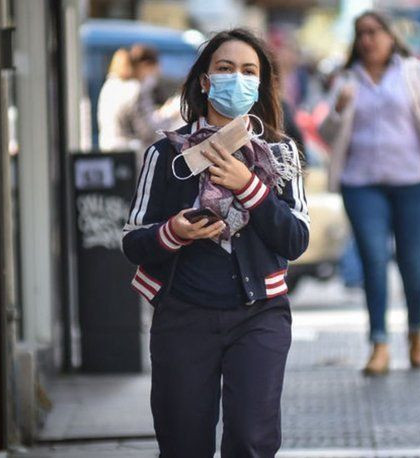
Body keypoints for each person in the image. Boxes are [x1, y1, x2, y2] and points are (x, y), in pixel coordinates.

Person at [121, 29, 309, 457]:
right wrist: (174, 232)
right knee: (183, 443)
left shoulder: (279, 153)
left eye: (248, 71)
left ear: (260, 84)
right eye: (225, 69)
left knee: (250, 440)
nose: (236, 79)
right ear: (205, 80)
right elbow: (133, 241)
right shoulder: (165, 156)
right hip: (183, 314)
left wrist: (250, 187)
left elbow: (295, 239)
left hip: (259, 314)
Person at [318, 10, 420, 375]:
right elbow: (328, 134)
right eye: (361, 33)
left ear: (391, 35)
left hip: (415, 181)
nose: (367, 40)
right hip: (361, 183)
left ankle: (416, 332)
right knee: (374, 260)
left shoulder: (415, 72)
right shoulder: (346, 80)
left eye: (374, 32)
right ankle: (378, 343)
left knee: (412, 261)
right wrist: (338, 110)